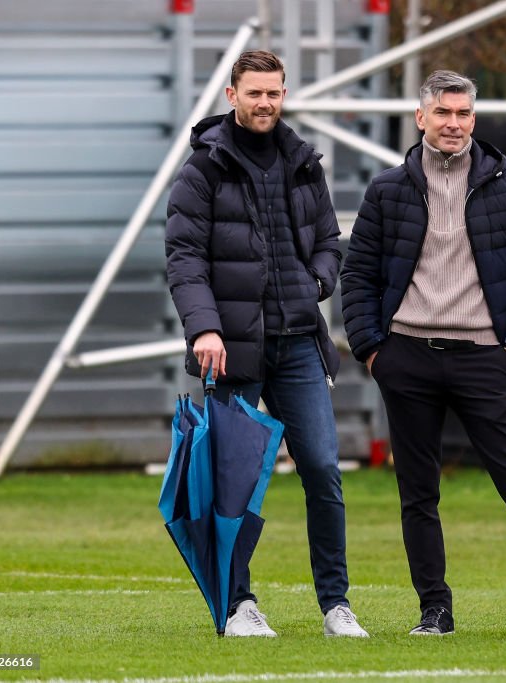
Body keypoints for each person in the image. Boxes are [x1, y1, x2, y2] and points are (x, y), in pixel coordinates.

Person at [340, 70, 506, 637]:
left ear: (474, 120)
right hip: (405, 355)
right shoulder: (387, 189)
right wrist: (373, 351)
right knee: (418, 494)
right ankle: (434, 610)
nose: (453, 123)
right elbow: (356, 274)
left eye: (462, 114)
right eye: (443, 113)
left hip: (486, 358)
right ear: (421, 117)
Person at [165, 50, 367, 639]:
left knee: (324, 470)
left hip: (300, 343)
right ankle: (238, 605)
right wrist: (204, 327)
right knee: (235, 483)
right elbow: (183, 259)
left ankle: (336, 606)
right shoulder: (201, 170)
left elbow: (330, 240)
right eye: (254, 93)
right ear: (232, 95)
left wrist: (319, 283)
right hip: (232, 350)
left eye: (274, 93)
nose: (265, 103)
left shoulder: (304, 162)